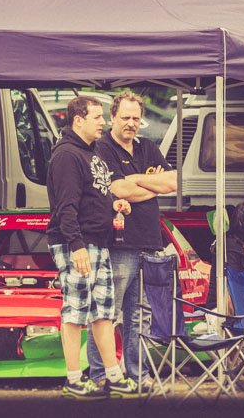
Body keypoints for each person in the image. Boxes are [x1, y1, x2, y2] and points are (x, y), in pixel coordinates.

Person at [46, 95, 135, 399]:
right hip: (78, 244)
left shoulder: (91, 151)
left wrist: (114, 204)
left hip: (98, 243)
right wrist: (76, 245)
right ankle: (73, 379)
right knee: (75, 312)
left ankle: (113, 376)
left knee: (103, 313)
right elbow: (65, 207)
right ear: (78, 120)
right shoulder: (67, 155)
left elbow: (95, 192)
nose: (104, 123)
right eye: (97, 117)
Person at [87, 90, 177, 390]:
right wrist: (148, 185)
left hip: (150, 243)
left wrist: (136, 180)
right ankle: (100, 375)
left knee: (139, 315)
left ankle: (138, 376)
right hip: (118, 244)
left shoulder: (148, 147)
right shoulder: (102, 148)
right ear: (113, 117)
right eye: (124, 117)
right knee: (107, 313)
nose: (130, 123)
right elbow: (117, 189)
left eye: (136, 118)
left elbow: (172, 182)